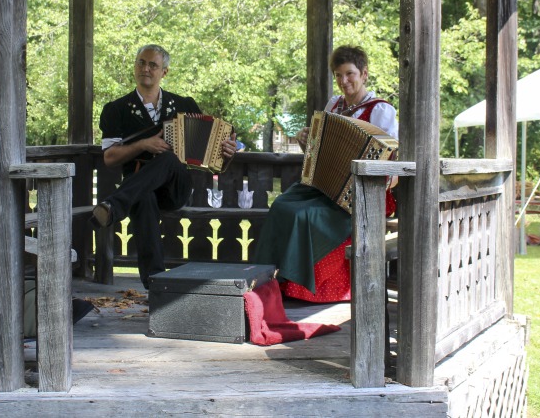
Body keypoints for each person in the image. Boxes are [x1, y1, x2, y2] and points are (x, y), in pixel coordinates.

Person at [253, 45, 398, 303]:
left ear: (364, 74)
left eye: (350, 74)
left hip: (361, 193)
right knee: (281, 205)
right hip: (325, 185)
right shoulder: (334, 105)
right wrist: (305, 140)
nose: (344, 81)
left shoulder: (381, 111)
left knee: (305, 215)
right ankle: (272, 277)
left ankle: (302, 285)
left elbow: (389, 157)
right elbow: (319, 149)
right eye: (338, 75)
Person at [92, 44, 238, 289]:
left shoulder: (184, 104)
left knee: (170, 158)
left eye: (153, 65)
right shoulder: (115, 110)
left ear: (164, 72)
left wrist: (227, 151)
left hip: (175, 188)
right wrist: (143, 145)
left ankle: (114, 206)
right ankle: (156, 284)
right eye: (141, 62)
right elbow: (109, 158)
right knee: (144, 198)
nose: (145, 68)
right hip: (139, 190)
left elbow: (212, 156)